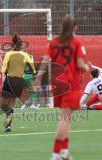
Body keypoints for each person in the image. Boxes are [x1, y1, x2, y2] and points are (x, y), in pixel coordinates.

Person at [35, 15, 89, 160]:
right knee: (65, 119)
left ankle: (65, 151)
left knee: (66, 118)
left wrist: (39, 75)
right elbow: (79, 64)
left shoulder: (54, 42)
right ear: (74, 27)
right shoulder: (76, 42)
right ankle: (55, 153)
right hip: (70, 84)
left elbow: (46, 60)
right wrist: (87, 66)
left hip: (57, 84)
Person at [0, 34, 36, 132]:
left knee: (3, 104)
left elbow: (3, 70)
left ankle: (8, 119)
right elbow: (33, 71)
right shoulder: (25, 55)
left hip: (10, 80)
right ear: (21, 45)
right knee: (11, 102)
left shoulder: (8, 54)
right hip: (19, 81)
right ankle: (8, 125)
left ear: (12, 45)